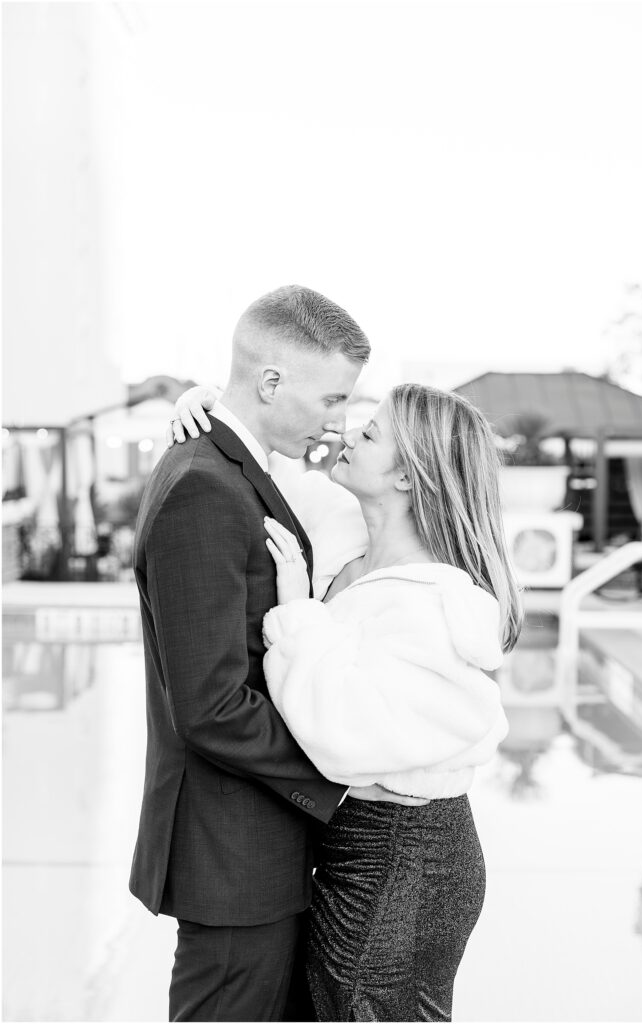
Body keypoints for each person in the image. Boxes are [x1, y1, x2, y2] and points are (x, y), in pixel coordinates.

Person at [170, 379, 522, 1022]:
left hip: (403, 861)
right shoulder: (345, 530)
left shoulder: (430, 604)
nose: (347, 433)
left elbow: (343, 736)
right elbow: (260, 461)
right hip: (352, 846)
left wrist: (299, 612)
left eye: (371, 432)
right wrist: (210, 404)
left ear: (408, 477)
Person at [130, 285, 422, 1024]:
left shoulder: (235, 468)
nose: (338, 421)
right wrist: (344, 776)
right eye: (332, 398)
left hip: (258, 853)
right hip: (233, 859)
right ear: (269, 382)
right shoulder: (204, 487)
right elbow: (210, 706)